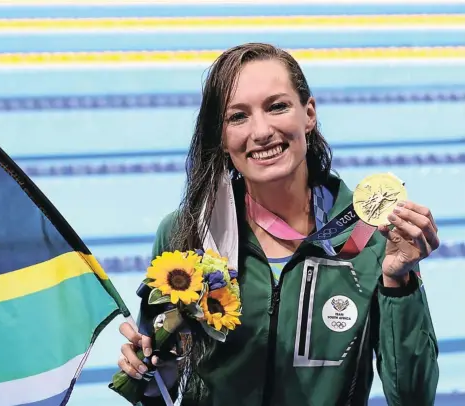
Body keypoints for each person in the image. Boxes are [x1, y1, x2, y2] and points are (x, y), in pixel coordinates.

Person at [116, 43, 440, 406]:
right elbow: (158, 387)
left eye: (277, 106)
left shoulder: (370, 239)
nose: (261, 131)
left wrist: (399, 281)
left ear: (309, 114)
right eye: (238, 116)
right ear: (221, 138)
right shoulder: (187, 233)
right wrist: (146, 370)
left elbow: (413, 397)